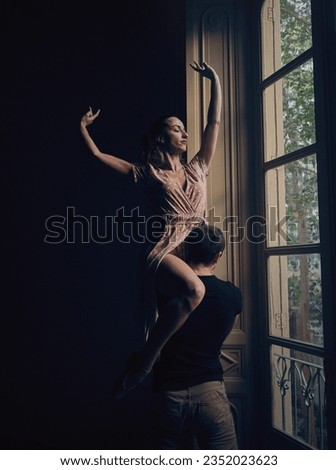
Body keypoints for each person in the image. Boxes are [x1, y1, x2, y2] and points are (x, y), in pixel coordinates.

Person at [79, 61, 222, 394]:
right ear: (161, 137)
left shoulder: (200, 166)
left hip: (197, 246)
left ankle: (177, 376)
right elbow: (99, 156)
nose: (184, 134)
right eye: (176, 128)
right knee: (195, 292)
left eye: (185, 129)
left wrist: (214, 78)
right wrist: (83, 127)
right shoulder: (148, 174)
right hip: (166, 248)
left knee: (204, 309)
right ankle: (144, 363)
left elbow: (213, 122)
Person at [150, 224, 242, 450]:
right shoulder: (231, 294)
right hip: (209, 390)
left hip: (168, 392)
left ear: (186, 250)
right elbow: (221, 332)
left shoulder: (167, 289)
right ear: (218, 256)